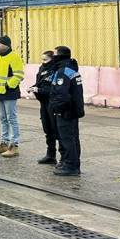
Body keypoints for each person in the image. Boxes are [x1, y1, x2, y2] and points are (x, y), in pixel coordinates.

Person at [48, 46, 84, 176]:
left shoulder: (62, 72)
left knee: (67, 139)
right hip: (73, 109)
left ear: (60, 56)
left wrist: (56, 109)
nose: (53, 56)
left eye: (55, 54)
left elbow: (61, 94)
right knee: (73, 138)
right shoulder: (71, 69)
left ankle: (71, 166)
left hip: (66, 111)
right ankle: (71, 162)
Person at [0, 35, 25, 158]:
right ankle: (4, 143)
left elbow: (19, 75)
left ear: (6, 45)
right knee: (3, 118)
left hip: (9, 92)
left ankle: (14, 145)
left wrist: (8, 85)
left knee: (12, 118)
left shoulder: (14, 57)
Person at [29, 50, 60, 165]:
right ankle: (50, 155)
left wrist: (39, 90)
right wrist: (34, 87)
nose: (43, 62)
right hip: (44, 104)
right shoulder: (42, 69)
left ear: (52, 59)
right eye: (42, 59)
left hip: (52, 103)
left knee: (57, 130)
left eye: (45, 60)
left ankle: (63, 158)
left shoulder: (55, 70)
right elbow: (40, 83)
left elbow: (53, 89)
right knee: (47, 130)